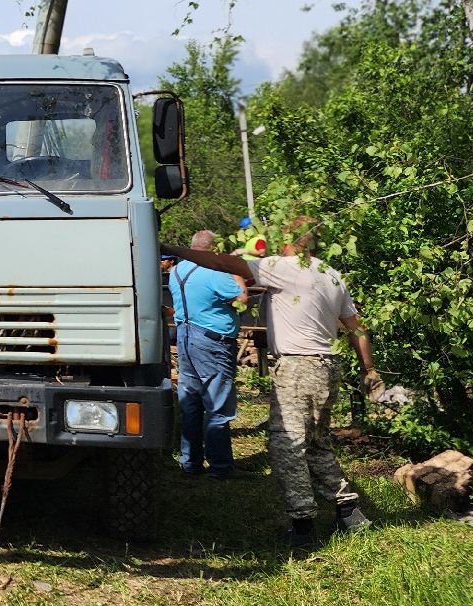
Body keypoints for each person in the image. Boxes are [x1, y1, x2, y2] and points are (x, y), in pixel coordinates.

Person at [164, 218, 384, 547]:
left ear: (290, 240)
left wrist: (170, 249)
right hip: (327, 367)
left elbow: (223, 262)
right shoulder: (330, 274)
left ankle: (303, 527)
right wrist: (369, 369)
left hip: (297, 368)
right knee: (315, 443)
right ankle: (349, 511)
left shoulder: (284, 267)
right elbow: (356, 327)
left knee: (287, 447)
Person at [169, 230, 248, 478]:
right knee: (217, 405)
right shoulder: (214, 272)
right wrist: (233, 266)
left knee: (190, 403)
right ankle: (220, 468)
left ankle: (190, 463)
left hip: (185, 337)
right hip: (212, 342)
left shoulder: (177, 271)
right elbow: (242, 298)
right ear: (214, 250)